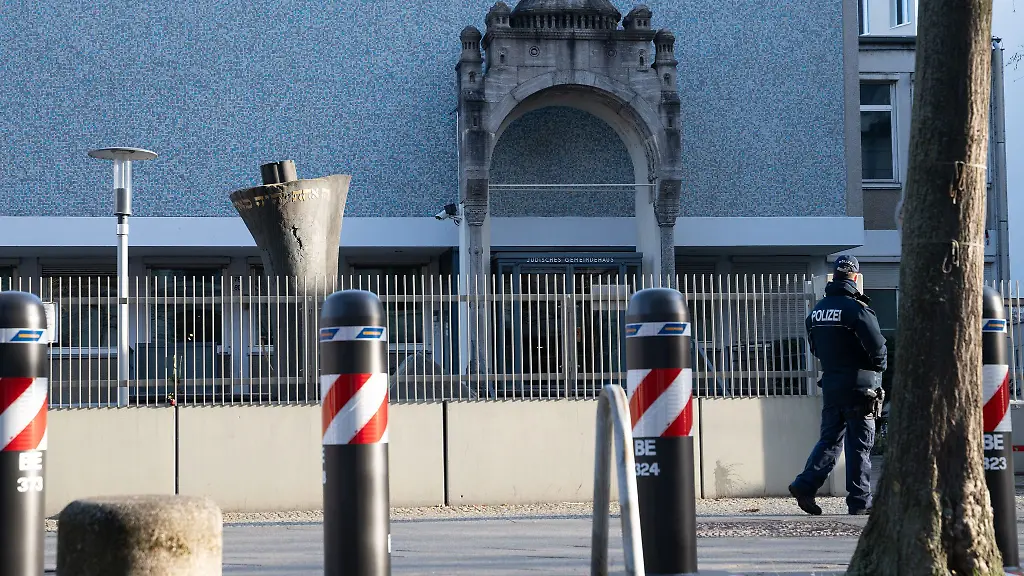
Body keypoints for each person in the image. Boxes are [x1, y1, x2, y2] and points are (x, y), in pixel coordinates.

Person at [788, 255, 887, 516]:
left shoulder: (816, 312)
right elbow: (878, 348)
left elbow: (815, 349)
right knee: (860, 445)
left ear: (834, 276)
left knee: (830, 440)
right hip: (860, 387)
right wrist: (878, 369)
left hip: (832, 385)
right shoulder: (857, 309)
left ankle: (805, 485)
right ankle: (860, 501)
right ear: (855, 277)